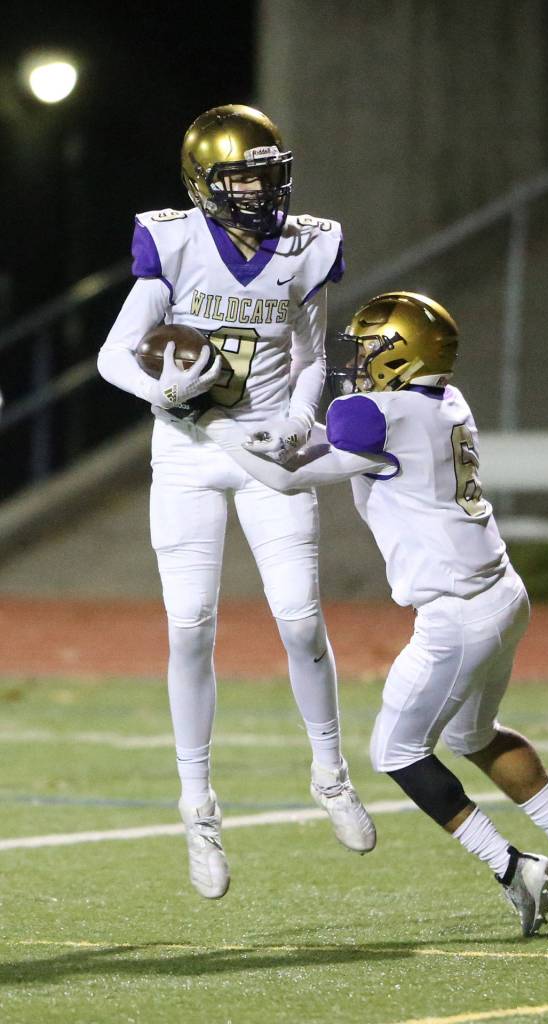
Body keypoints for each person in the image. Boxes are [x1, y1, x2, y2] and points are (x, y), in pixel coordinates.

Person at [205, 291, 548, 935]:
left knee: (396, 751)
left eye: (369, 347)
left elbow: (289, 478)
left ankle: (514, 868)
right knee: (472, 737)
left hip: (457, 614)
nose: (359, 359)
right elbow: (349, 444)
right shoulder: (444, 401)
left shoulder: (380, 412)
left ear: (401, 353)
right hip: (503, 592)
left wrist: (214, 430)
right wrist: (283, 433)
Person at [97, 104, 376, 901]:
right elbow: (114, 353)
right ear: (204, 182)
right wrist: (167, 391)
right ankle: (198, 810)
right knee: (190, 631)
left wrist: (298, 416)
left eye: (266, 172)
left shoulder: (309, 242)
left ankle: (330, 772)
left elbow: (315, 352)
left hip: (267, 449)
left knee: (300, 620)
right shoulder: (173, 239)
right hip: (189, 454)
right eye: (241, 177)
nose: (258, 190)